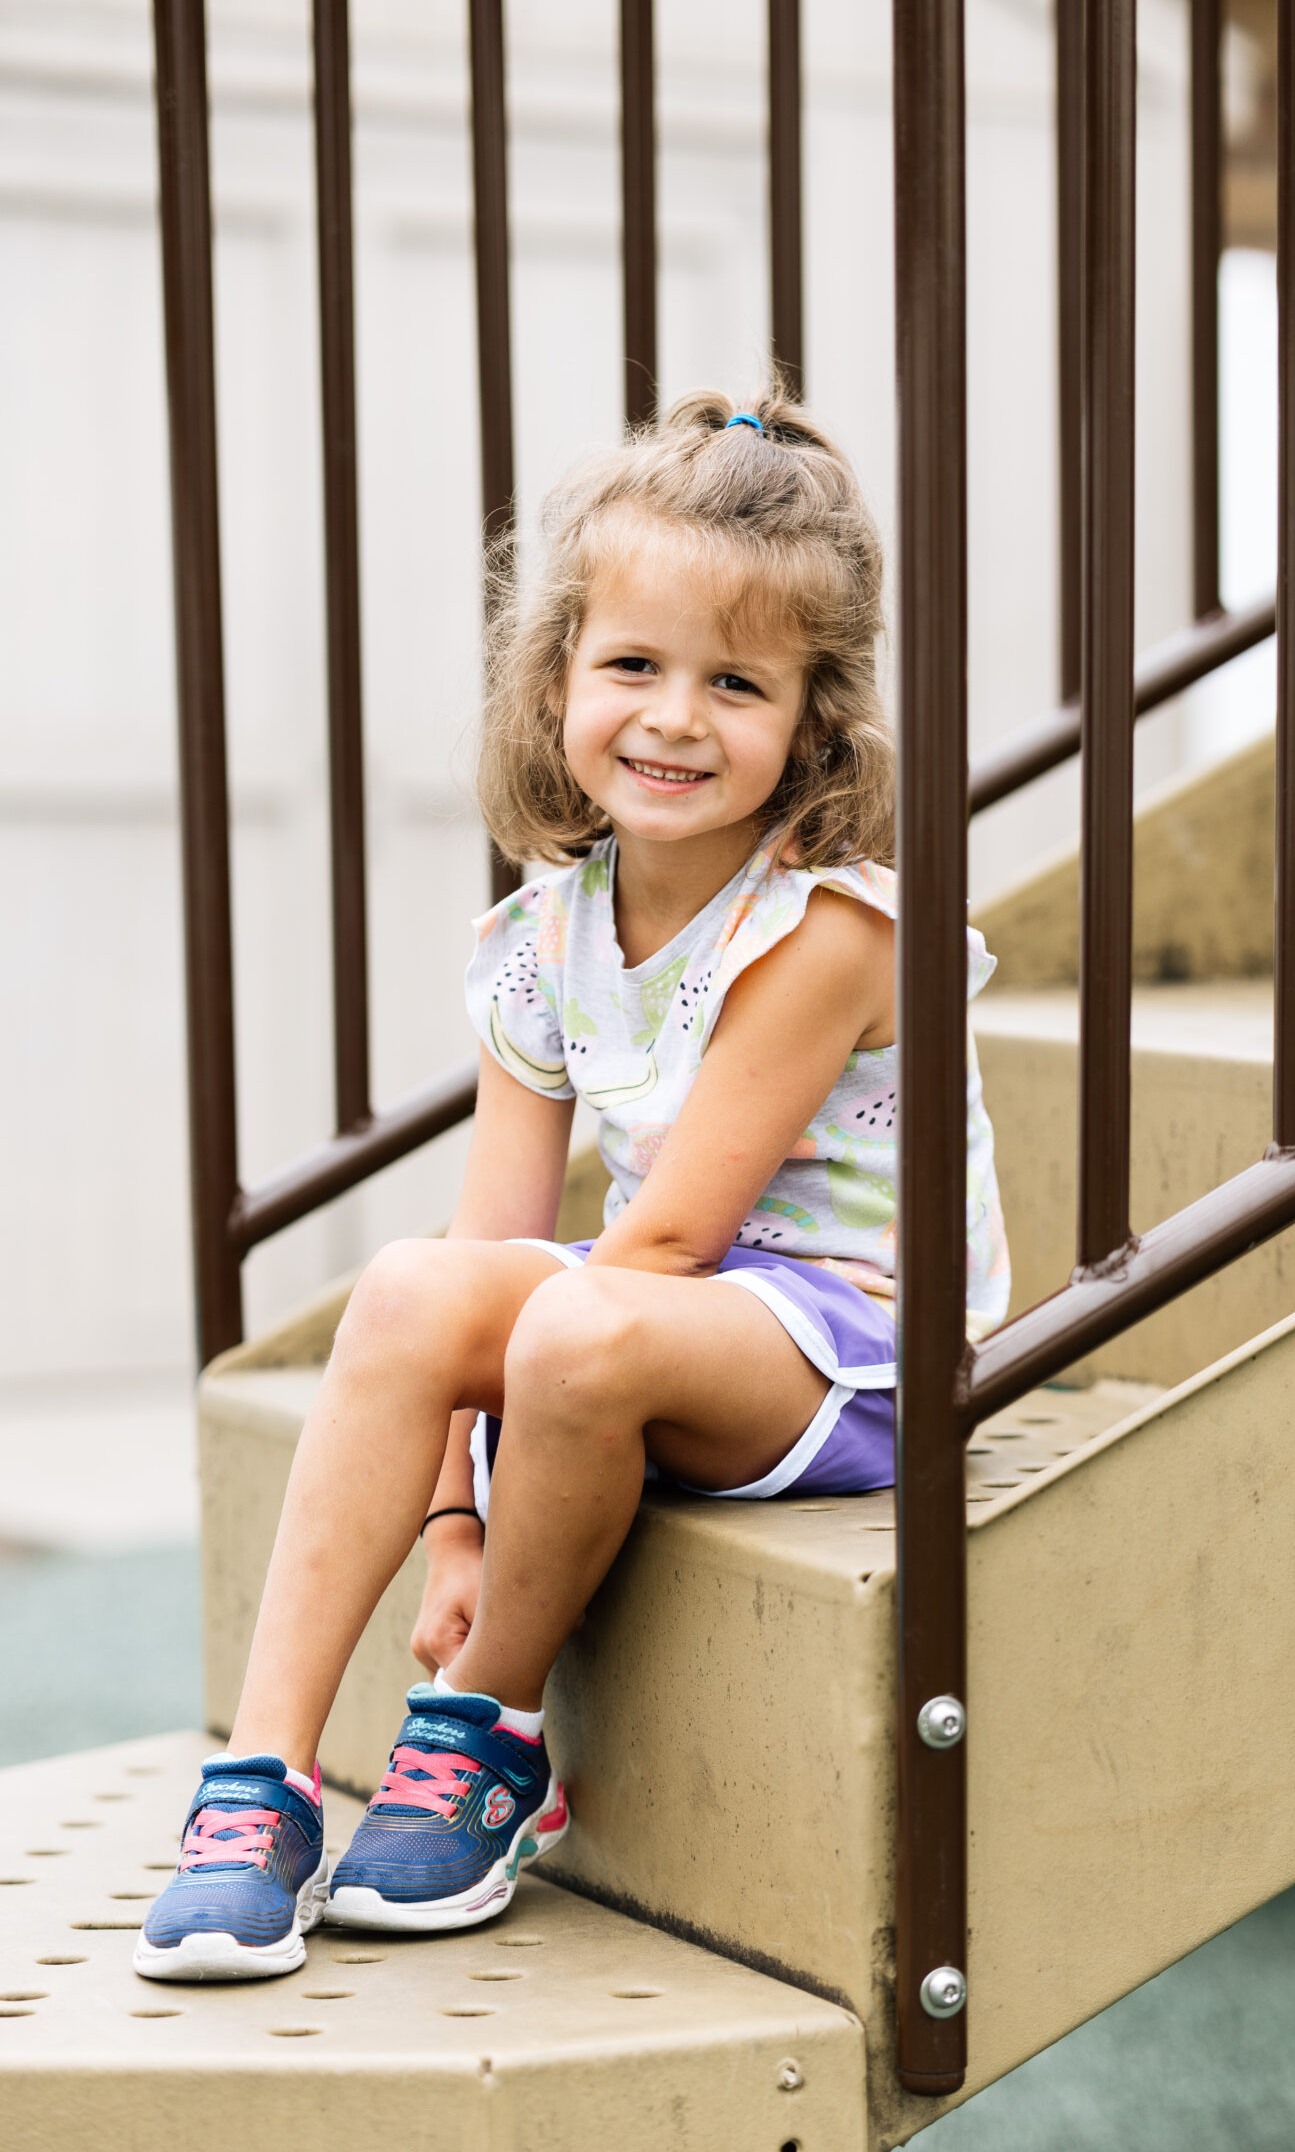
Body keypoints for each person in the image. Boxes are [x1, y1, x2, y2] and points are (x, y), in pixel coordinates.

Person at [136, 387, 1008, 1983]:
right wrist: (457, 1520)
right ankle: (256, 1782)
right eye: (633, 667)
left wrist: (522, 1404)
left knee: (577, 1329)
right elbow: (491, 1254)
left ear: (812, 725)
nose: (675, 718)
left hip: (853, 1344)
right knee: (410, 1286)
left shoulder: (826, 930)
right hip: (661, 1318)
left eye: (734, 683)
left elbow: (668, 1234)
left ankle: (485, 1737)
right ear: (554, 686)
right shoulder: (543, 938)